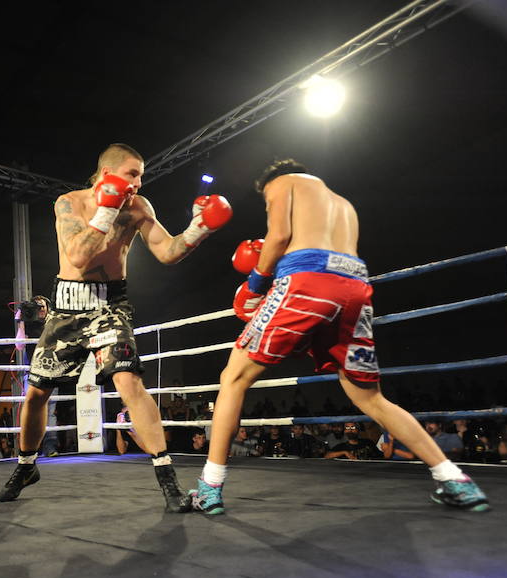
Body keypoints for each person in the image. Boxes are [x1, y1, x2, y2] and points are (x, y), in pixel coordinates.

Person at [192, 159, 489, 515]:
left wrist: (255, 284)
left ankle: (209, 486)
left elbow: (281, 237)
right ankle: (453, 478)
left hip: (307, 281)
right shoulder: (344, 204)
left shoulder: (281, 184)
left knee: (234, 378)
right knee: (371, 399)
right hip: (355, 287)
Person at [0, 143, 232, 512]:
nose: (139, 182)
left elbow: (168, 252)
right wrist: (107, 209)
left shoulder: (139, 207)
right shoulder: (68, 203)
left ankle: (167, 477)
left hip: (110, 305)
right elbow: (77, 255)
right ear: (107, 173)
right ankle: (26, 466)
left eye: (141, 174)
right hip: (67, 305)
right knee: (37, 393)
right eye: (132, 173)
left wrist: (199, 229)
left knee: (128, 381)